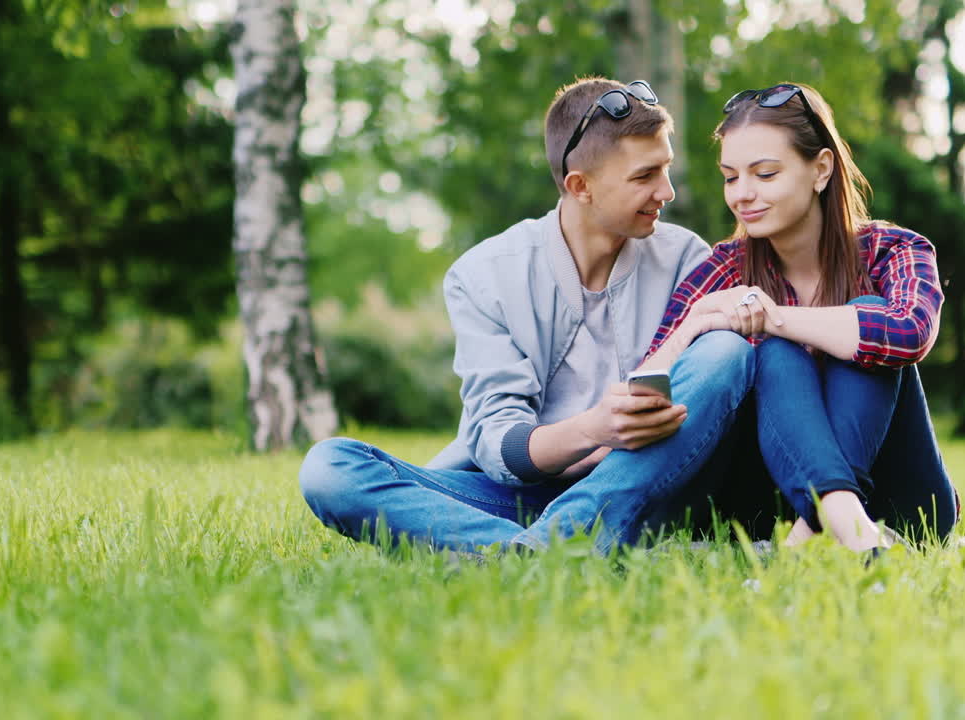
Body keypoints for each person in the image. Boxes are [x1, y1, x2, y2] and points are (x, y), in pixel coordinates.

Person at [299, 77, 757, 555]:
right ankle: (563, 547)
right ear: (581, 186)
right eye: (644, 177)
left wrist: (692, 331)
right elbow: (499, 445)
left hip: (641, 487)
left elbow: (705, 391)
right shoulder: (484, 275)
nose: (667, 191)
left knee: (725, 350)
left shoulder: (686, 255)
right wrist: (591, 430)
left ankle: (536, 549)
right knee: (330, 468)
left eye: (665, 169)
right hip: (516, 497)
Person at [641, 83, 959, 553]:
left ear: (821, 169)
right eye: (730, 177)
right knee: (775, 354)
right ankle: (846, 530)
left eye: (765, 174)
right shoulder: (724, 269)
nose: (743, 195)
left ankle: (812, 535)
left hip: (901, 503)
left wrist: (775, 319)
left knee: (866, 317)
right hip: (762, 505)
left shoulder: (893, 250)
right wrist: (694, 327)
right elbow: (649, 388)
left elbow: (908, 332)